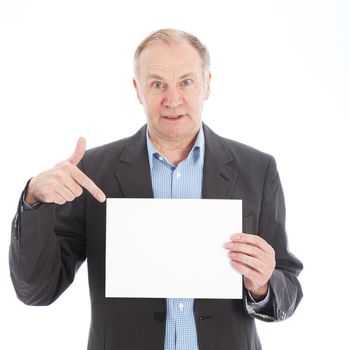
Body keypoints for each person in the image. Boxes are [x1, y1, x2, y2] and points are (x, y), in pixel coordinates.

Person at [9, 28, 303, 350]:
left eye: (186, 82)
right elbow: (36, 291)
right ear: (138, 89)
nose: (172, 100)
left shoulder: (257, 170)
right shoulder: (93, 172)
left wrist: (262, 285)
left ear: (208, 85)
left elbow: (287, 286)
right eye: (157, 84)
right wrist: (34, 198)